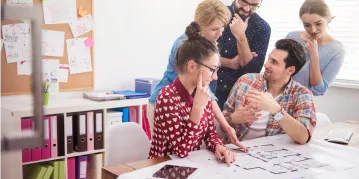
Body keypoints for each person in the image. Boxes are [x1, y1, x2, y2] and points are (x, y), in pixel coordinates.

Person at [148, 0, 246, 149]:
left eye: (222, 28)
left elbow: (206, 91)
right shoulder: (183, 47)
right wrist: (226, 125)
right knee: (173, 152)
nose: (220, 33)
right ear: (200, 26)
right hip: (169, 106)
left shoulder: (208, 44)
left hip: (194, 103)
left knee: (194, 151)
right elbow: (205, 92)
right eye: (215, 29)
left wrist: (224, 127)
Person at [149, 22, 236, 166]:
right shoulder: (167, 97)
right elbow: (181, 151)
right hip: (164, 167)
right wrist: (197, 109)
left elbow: (211, 134)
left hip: (191, 165)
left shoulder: (202, 92)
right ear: (191, 66)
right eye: (212, 70)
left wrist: (218, 145)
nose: (215, 77)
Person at [222, 39, 317, 145]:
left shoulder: (302, 94)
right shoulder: (246, 81)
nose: (266, 64)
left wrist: (277, 111)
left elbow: (303, 137)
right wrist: (232, 119)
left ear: (290, 70)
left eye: (274, 62)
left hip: (269, 155)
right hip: (233, 149)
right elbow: (221, 123)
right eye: (269, 59)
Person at [216, 0, 271, 110]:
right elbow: (196, 55)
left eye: (254, 5)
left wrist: (240, 36)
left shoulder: (262, 27)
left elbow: (252, 70)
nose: (247, 9)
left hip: (239, 94)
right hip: (209, 86)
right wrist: (229, 63)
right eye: (243, 2)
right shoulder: (216, 15)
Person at [286, 0, 345, 96]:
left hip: (305, 103)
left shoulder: (337, 50)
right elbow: (279, 69)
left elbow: (319, 89)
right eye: (307, 25)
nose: (313, 30)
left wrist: (314, 55)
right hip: (279, 96)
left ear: (328, 19)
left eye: (318, 24)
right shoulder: (292, 37)